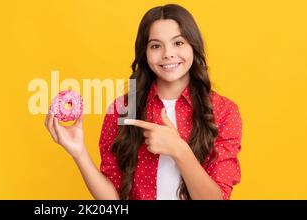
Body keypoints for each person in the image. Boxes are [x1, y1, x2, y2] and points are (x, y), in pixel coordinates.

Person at [44, 4, 242, 200]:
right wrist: (79, 153)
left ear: (193, 46)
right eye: (156, 45)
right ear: (144, 53)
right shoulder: (123, 109)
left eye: (178, 43)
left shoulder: (224, 111)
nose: (168, 54)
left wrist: (178, 149)